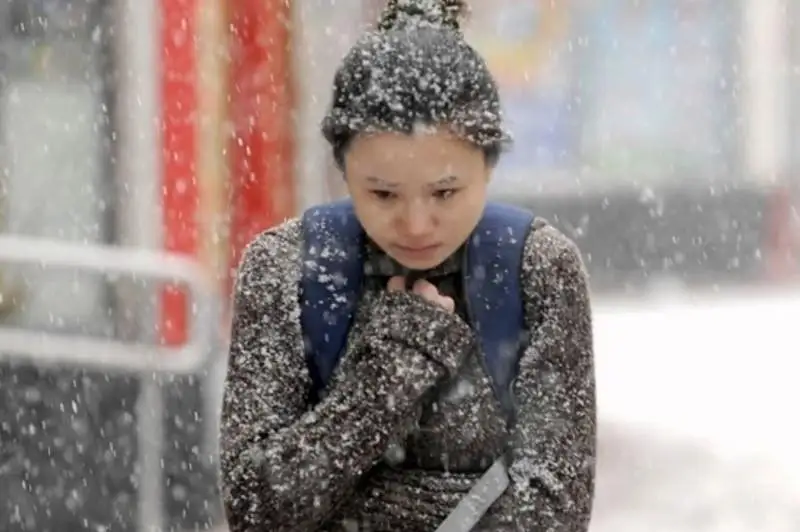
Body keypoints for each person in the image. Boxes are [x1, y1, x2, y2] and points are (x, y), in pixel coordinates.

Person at [219, 1, 596, 530]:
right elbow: (255, 509)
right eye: (383, 193)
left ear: (488, 166)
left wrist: (349, 509)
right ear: (343, 170)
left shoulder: (537, 270)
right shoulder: (285, 269)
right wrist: (393, 368)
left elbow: (553, 515)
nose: (417, 224)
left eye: (445, 192)